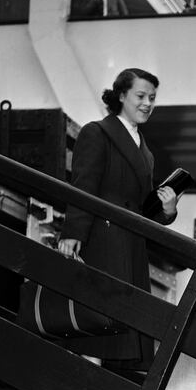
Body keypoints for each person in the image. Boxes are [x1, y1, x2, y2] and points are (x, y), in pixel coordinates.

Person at [57, 68, 178, 373]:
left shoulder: (143, 149)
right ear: (121, 96)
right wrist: (73, 233)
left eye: (152, 97)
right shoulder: (97, 132)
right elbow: (84, 186)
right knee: (98, 322)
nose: (148, 103)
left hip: (130, 243)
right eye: (141, 95)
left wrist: (168, 209)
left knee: (117, 326)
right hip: (103, 240)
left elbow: (143, 208)